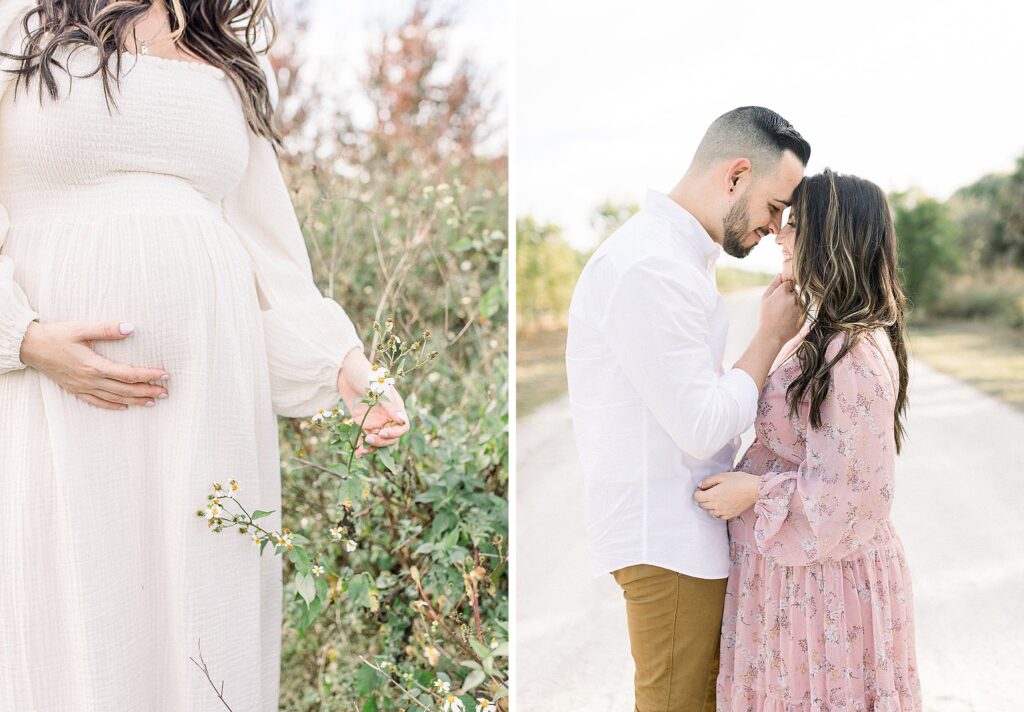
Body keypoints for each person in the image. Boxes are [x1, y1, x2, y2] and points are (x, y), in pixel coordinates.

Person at [0, 1, 408, 709]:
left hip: (210, 400)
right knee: (69, 609)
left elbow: (268, 247)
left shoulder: (229, 55)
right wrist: (24, 338)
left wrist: (338, 358)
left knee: (199, 612)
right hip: (46, 393)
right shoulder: (18, 20)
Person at [565, 106, 809, 711]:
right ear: (736, 176)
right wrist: (768, 340)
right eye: (774, 208)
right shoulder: (650, 266)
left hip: (682, 534)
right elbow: (700, 426)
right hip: (667, 539)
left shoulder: (673, 260)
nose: (775, 229)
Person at [694, 169, 923, 708]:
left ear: (832, 237)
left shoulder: (854, 353)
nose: (779, 234)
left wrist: (753, 493)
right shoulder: (824, 335)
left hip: (825, 587)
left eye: (795, 225)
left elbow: (853, 495)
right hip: (798, 579)